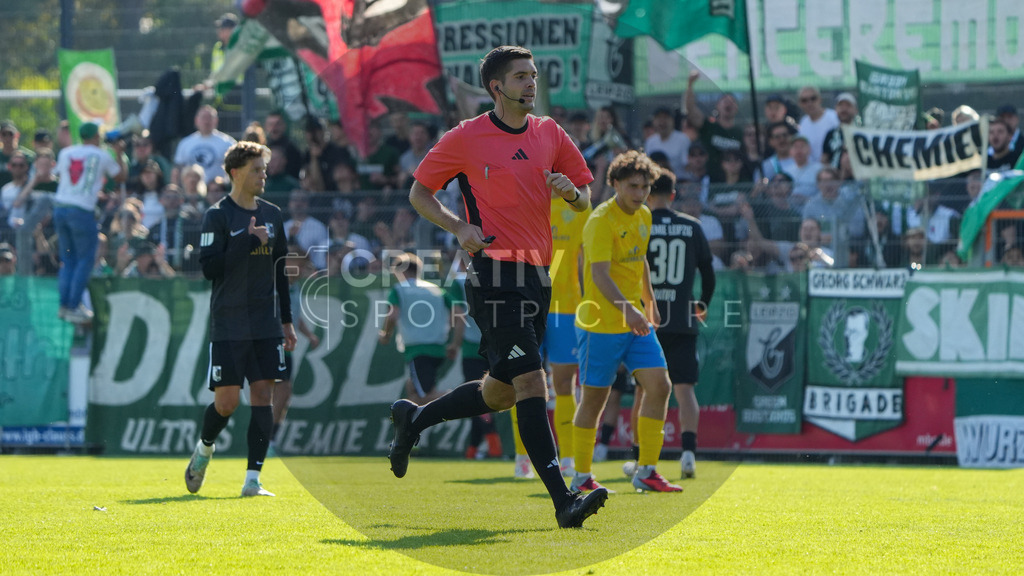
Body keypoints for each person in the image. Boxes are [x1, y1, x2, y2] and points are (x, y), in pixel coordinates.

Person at [394, 45, 606, 528]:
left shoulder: (550, 132)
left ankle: (415, 419)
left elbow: (584, 195)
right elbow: (419, 193)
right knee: (534, 381)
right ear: (496, 88)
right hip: (491, 275)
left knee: (502, 393)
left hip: (537, 278)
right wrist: (459, 228)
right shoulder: (466, 137)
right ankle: (563, 501)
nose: (530, 84)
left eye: (533, 76)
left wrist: (572, 193)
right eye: (520, 77)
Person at [184, 140, 297, 498]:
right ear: (235, 173)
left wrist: (287, 320)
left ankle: (253, 479)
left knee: (263, 394)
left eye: (264, 169)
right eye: (256, 170)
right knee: (227, 403)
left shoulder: (273, 214)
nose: (263, 175)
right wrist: (246, 242)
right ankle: (204, 448)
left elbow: (281, 272)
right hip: (229, 321)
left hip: (265, 321)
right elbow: (209, 269)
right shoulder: (217, 215)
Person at [571, 150, 681, 493]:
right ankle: (581, 477)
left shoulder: (644, 215)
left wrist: (648, 301)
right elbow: (599, 275)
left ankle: (647, 471)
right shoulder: (600, 220)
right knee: (594, 401)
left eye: (645, 187)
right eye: (633, 186)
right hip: (600, 324)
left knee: (661, 386)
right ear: (615, 183)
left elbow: (640, 260)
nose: (640, 194)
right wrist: (630, 310)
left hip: (634, 321)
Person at [642, 171, 715, 479]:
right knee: (685, 391)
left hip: (648, 320)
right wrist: (701, 305)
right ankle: (688, 454)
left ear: (646, 193)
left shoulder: (640, 225)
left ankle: (641, 457)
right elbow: (709, 275)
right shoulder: (692, 226)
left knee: (646, 391)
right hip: (683, 319)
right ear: (673, 195)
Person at [53, 122, 126, 323]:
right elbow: (120, 176)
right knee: (85, 260)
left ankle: (64, 305)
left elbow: (62, 176)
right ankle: (74, 305)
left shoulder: (66, 152)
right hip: (81, 211)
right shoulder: (102, 154)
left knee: (68, 260)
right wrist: (118, 152)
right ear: (96, 136)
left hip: (60, 208)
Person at [378, 252, 459, 405]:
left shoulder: (399, 289)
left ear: (400, 271)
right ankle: (416, 426)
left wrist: (385, 335)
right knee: (412, 389)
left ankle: (461, 398)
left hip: (418, 350)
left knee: (422, 397)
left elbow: (392, 315)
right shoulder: (436, 289)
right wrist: (453, 339)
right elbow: (458, 312)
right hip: (438, 349)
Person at [685, 70, 744, 182]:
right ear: (717, 106)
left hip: (735, 184)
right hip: (712, 183)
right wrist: (690, 85)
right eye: (725, 101)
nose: (729, 103)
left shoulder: (740, 133)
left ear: (736, 108)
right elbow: (691, 110)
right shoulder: (709, 127)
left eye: (732, 101)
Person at [173, 105, 236, 184]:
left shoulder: (228, 143)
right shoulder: (185, 143)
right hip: (192, 193)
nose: (206, 121)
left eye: (210, 118)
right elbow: (178, 170)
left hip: (218, 191)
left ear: (216, 120)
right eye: (203, 118)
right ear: (196, 120)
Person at [644, 107, 690, 180]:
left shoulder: (683, 139)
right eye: (658, 118)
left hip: (679, 182)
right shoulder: (650, 141)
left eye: (665, 118)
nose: (662, 122)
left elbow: (687, 165)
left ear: (672, 120)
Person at [796, 86, 839, 163]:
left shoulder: (834, 118)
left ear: (820, 99)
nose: (809, 103)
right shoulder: (803, 122)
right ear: (800, 104)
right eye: (804, 100)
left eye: (813, 98)